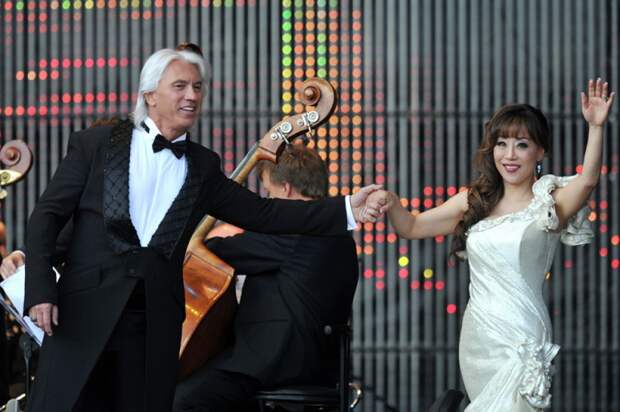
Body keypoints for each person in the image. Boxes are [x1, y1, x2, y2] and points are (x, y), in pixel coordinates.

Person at [21, 47, 379, 412]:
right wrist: (40, 288)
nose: (192, 95)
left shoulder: (203, 166)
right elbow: (48, 215)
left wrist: (348, 208)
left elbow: (266, 213)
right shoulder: (97, 143)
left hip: (154, 325)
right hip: (83, 314)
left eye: (197, 87)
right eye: (179, 86)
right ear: (150, 95)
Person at [366, 79, 615, 411]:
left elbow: (588, 181)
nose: (509, 155)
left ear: (540, 152)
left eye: (522, 145)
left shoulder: (549, 202)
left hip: (522, 336)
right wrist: (391, 200)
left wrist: (596, 127)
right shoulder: (474, 200)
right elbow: (411, 226)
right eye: (501, 144)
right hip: (479, 337)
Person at [173, 144, 359, 411]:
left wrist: (200, 237)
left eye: (269, 193)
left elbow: (212, 252)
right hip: (320, 366)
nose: (268, 202)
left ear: (286, 189)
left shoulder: (292, 230)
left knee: (182, 400)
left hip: (275, 361)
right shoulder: (340, 237)